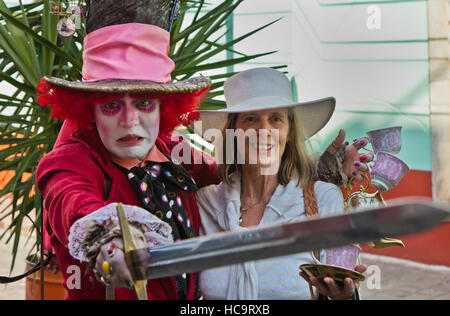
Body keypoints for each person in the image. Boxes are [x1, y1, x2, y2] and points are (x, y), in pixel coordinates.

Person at [36, 1, 372, 300]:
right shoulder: (70, 161)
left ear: (165, 107)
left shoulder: (173, 154)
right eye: (110, 105)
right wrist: (110, 237)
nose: (129, 120)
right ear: (89, 109)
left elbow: (236, 172)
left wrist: (320, 168)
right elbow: (71, 200)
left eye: (144, 102)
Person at [194, 67, 368, 300]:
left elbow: (341, 281)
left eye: (275, 119)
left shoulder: (322, 199)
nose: (263, 131)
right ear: (233, 131)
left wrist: (345, 297)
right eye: (251, 118)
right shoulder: (205, 203)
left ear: (289, 130)